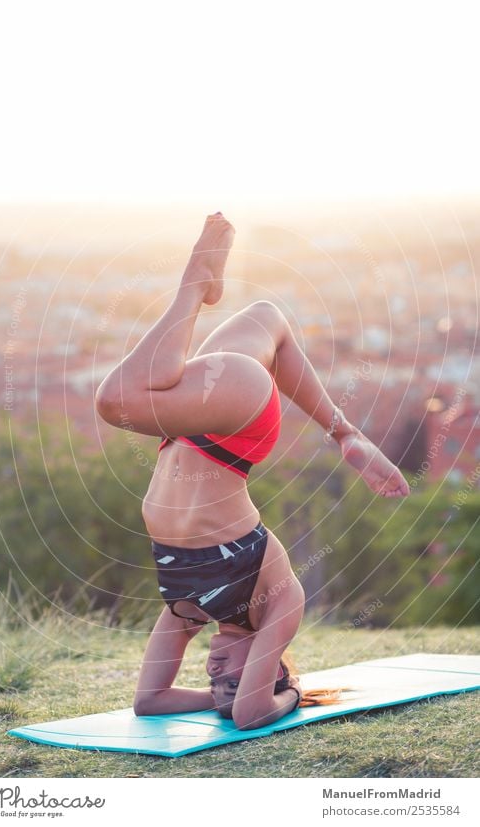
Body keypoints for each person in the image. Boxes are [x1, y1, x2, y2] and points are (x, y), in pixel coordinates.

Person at [95, 212, 410, 730]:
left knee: (267, 318)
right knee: (115, 400)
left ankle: (345, 433)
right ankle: (194, 288)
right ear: (276, 668)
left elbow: (148, 702)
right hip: (237, 428)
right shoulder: (281, 605)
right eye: (234, 679)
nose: (217, 674)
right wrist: (291, 697)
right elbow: (250, 716)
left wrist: (209, 699)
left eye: (216, 681)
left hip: (195, 426)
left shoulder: (187, 611)